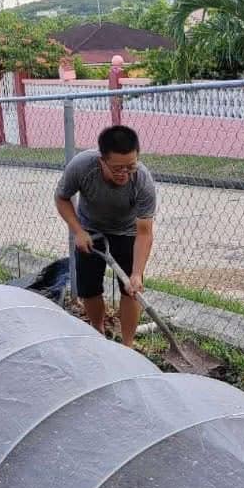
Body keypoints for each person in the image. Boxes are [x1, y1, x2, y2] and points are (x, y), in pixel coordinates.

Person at [54, 125, 157, 347]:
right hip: (90, 229)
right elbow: (62, 198)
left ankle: (127, 345)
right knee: (89, 288)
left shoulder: (142, 180)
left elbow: (145, 232)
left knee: (131, 291)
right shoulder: (82, 167)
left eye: (130, 166)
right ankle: (98, 333)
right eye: (117, 168)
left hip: (127, 232)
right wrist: (78, 232)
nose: (124, 174)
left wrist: (137, 274)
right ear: (102, 160)